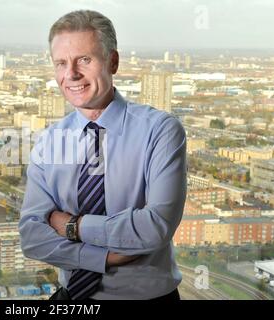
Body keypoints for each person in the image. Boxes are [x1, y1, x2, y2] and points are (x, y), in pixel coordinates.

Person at [19, 10, 187, 300]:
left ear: (113, 61)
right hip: (72, 299)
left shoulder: (160, 131)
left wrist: (72, 226)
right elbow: (32, 238)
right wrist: (103, 258)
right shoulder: (49, 141)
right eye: (61, 63)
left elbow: (155, 227)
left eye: (84, 60)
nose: (71, 74)